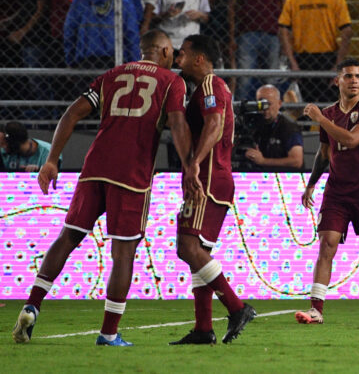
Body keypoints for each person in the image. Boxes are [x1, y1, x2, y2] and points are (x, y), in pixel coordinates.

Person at [12, 29, 200, 346]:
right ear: (165, 51)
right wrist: (189, 165)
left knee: (68, 236)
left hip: (94, 167)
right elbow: (178, 124)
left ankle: (32, 304)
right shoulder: (171, 81)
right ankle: (109, 332)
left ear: (143, 50)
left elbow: (72, 112)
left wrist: (52, 160)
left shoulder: (113, 75)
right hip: (131, 174)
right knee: (123, 252)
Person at [296, 59, 359, 325]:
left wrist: (320, 119)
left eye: (358, 76)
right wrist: (311, 183)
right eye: (348, 76)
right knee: (326, 244)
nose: (354, 80)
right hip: (337, 191)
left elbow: (353, 139)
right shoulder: (330, 112)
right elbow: (325, 152)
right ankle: (316, 310)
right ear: (337, 81)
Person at [171, 34, 256, 345]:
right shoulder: (205, 89)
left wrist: (194, 163)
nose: (176, 61)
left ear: (198, 58)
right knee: (199, 253)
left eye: (181, 55)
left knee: (187, 247)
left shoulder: (210, 84)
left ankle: (236, 307)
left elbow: (215, 124)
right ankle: (204, 328)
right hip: (211, 177)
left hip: (207, 177)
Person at [278, 0, 352, 103]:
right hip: (327, 57)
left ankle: (307, 124)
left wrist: (293, 62)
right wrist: (338, 63)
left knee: (307, 104)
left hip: (304, 58)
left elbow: (283, 30)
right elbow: (347, 31)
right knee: (329, 105)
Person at [63, 0, 141, 70]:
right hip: (116, 60)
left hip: (86, 61)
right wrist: (133, 64)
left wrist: (70, 60)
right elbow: (131, 35)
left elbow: (70, 29)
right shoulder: (123, 0)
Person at [243, 84, 304, 171]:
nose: (265, 108)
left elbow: (296, 161)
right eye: (261, 104)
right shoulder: (253, 123)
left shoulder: (289, 127)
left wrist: (263, 161)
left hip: (287, 178)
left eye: (268, 104)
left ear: (279, 104)